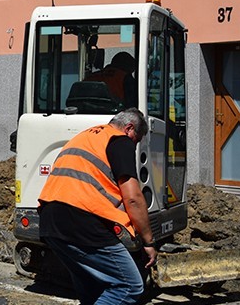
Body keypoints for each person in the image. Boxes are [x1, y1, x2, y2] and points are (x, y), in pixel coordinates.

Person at [38, 108, 156, 304]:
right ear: (129, 129)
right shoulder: (119, 140)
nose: (134, 146)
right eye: (136, 140)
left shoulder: (85, 136)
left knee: (91, 286)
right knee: (129, 286)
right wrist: (148, 242)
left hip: (50, 220)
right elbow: (133, 197)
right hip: (80, 222)